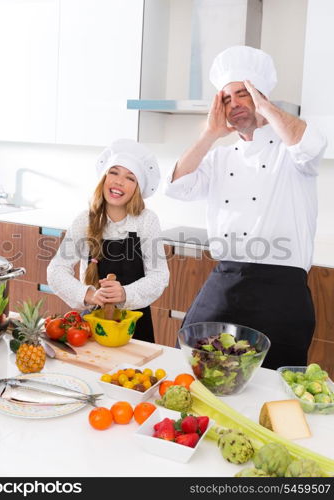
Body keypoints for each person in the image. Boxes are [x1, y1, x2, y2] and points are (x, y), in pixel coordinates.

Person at [164, 46, 327, 369]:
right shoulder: (221, 157)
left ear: (262, 97)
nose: (234, 103)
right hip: (227, 279)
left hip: (282, 289)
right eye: (226, 98)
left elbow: (310, 146)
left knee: (274, 383)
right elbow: (177, 186)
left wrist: (266, 107)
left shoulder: (291, 151)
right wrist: (210, 133)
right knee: (194, 367)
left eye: (243, 94)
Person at [47, 138, 169, 343]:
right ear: (104, 178)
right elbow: (56, 270)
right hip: (91, 325)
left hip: (134, 328)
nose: (119, 182)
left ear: (137, 188)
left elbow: (159, 276)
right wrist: (88, 294)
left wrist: (124, 293)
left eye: (130, 178)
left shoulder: (146, 221)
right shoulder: (85, 220)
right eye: (114, 173)